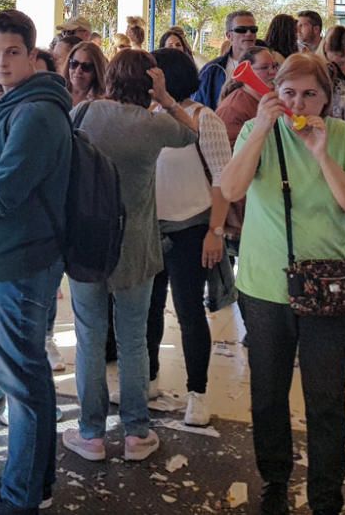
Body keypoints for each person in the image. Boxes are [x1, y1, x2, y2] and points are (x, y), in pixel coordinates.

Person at [219, 53, 345, 515]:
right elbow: (230, 189)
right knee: (268, 392)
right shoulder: (255, 132)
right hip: (265, 284)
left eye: (310, 94)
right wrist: (263, 129)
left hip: (326, 283)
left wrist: (321, 154)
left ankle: (326, 494)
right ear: (274, 94)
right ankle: (275, 482)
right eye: (288, 93)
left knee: (325, 397)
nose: (298, 102)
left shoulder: (342, 136)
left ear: (327, 97)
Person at [0, 10, 71, 515]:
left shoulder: (36, 111)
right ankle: (30, 480)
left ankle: (20, 496)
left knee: (19, 384)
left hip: (17, 259)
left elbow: (7, 184)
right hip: (18, 253)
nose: (1, 62)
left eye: (12, 52)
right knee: (29, 379)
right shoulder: (22, 102)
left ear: (32, 55)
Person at [62, 49, 198, 464]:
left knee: (88, 338)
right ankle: (137, 434)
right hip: (136, 245)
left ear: (110, 77)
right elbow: (190, 133)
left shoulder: (84, 115)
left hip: (86, 242)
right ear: (148, 82)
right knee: (134, 340)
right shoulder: (155, 124)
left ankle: (91, 434)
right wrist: (167, 97)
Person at [146, 48, 231, 427]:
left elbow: (222, 180)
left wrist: (215, 231)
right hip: (149, 228)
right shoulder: (144, 117)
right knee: (147, 310)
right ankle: (148, 380)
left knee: (189, 312)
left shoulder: (203, 118)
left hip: (192, 228)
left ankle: (197, 392)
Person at [193, 10, 258, 110]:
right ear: (229, 36)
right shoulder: (212, 70)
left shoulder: (270, 66)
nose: (249, 33)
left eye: (253, 29)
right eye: (241, 30)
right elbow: (197, 105)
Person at [216, 47, 279, 148]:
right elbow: (229, 154)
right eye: (264, 67)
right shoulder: (231, 109)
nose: (273, 72)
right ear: (247, 71)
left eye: (275, 66)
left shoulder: (272, 98)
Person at [62, 40, 108, 106]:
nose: (78, 70)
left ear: (96, 71)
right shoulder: (58, 92)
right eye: (74, 63)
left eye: (86, 66)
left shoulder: (102, 103)